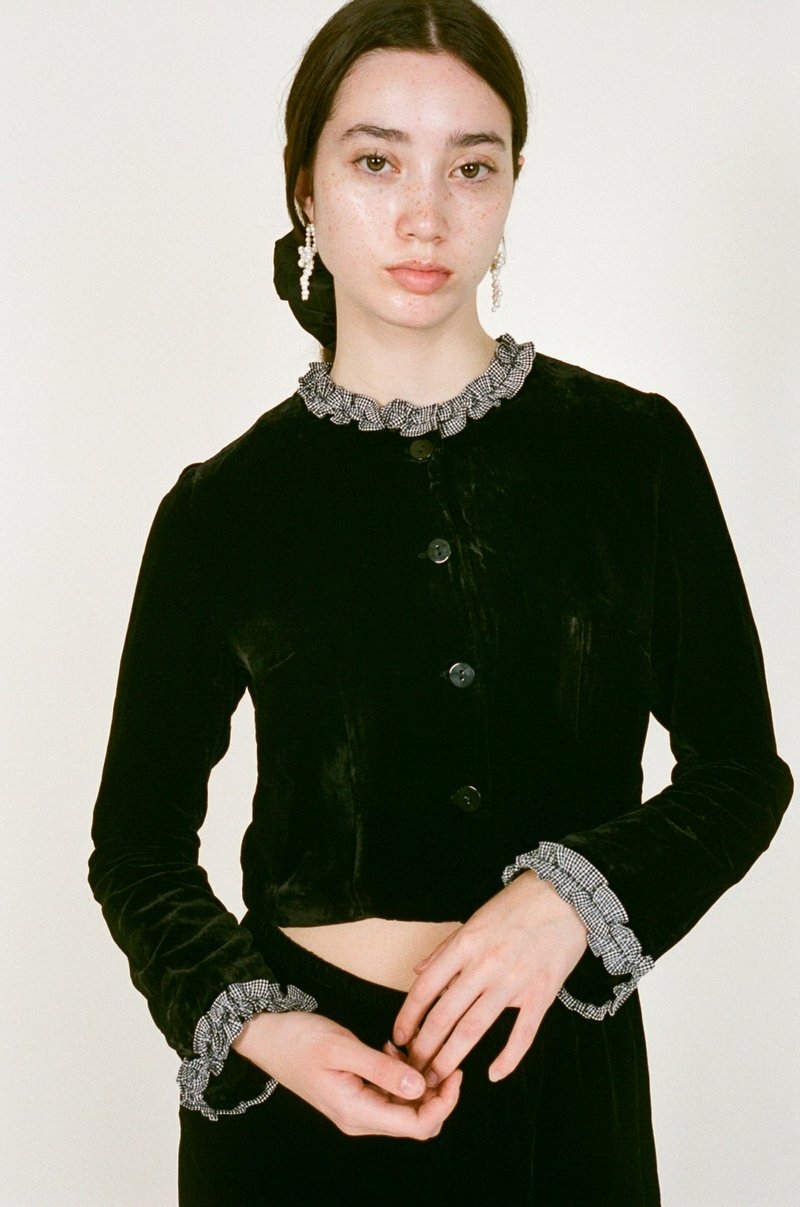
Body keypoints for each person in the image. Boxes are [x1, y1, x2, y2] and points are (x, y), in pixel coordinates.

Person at [89, 1, 792, 1202]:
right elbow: (138, 847)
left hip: (556, 1092)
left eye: (471, 166)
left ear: (510, 186)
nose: (425, 215)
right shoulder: (223, 507)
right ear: (306, 190)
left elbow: (738, 769)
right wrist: (266, 1030)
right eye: (375, 162)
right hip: (299, 1114)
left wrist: (567, 902)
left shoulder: (629, 454)